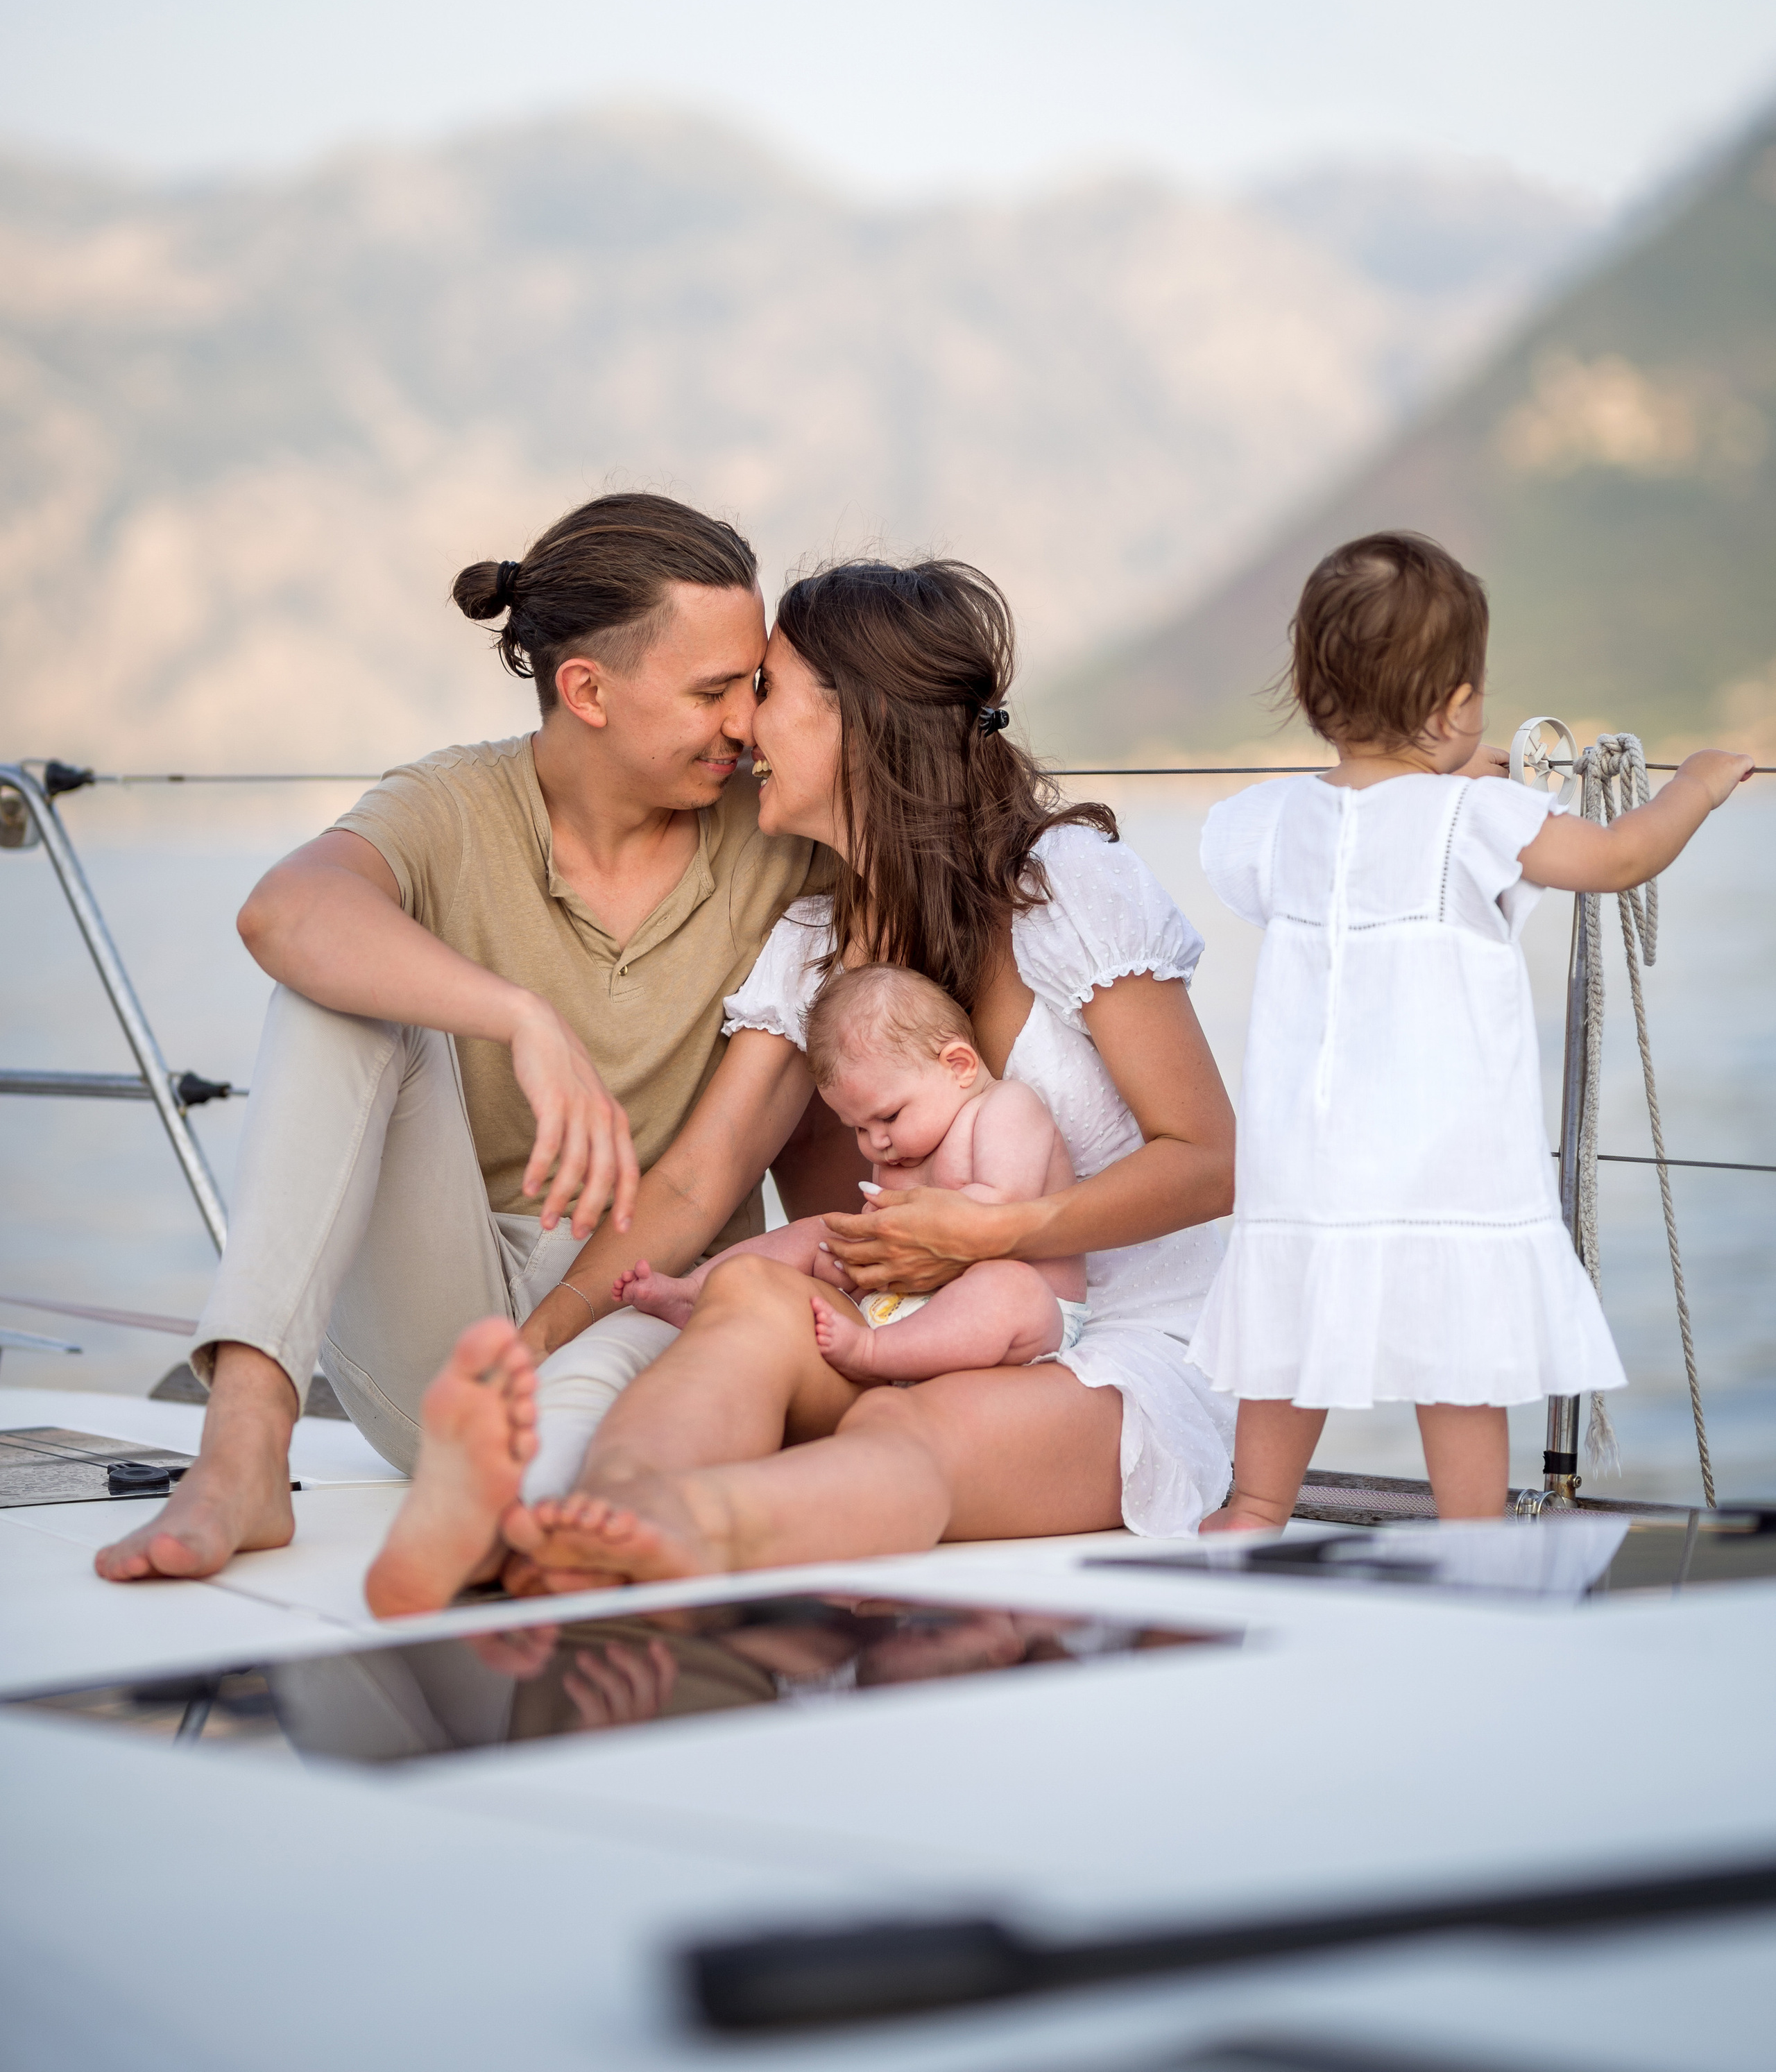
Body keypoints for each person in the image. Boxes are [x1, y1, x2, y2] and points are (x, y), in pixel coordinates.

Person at [364, 554, 1237, 1615]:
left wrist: (991, 1235)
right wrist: (537, 1348)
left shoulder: (1067, 890)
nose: (741, 729)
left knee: (904, 1430)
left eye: (765, 690)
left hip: (1117, 1351)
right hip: (911, 1325)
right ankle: (590, 1512)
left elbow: (1206, 1160)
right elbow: (698, 1182)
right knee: (748, 1297)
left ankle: (687, 1528)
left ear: (858, 720)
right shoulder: (816, 940)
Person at [96, 491, 836, 1585]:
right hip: (440, 1332)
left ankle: (509, 1519)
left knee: (636, 1381)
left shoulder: (779, 839)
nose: (744, 725)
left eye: (754, 688)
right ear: (584, 689)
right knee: (336, 987)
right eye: (713, 690)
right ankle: (244, 1448)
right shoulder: (454, 805)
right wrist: (515, 1016)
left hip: (653, 1306)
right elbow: (282, 913)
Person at [1190, 531, 1754, 1530]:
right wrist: (1699, 782)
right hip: (1441, 1164)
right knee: (1460, 1361)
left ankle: (1253, 1508)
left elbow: (1366, 820)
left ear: (1317, 699)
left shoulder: (1273, 823)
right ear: (1457, 707)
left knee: (1292, 1334)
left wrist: (1437, 779)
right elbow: (1619, 856)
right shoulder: (1478, 819)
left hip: (1308, 1171)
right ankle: (1475, 1539)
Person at [614, 961, 1088, 1382]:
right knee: (818, 1232)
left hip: (1022, 1313)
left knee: (1008, 1289)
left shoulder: (1005, 1108)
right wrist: (859, 1255)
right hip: (906, 1304)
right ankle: (696, 1291)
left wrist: (901, 1238)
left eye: (888, 1117)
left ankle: (872, 1351)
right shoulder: (903, 1146)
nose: (875, 1142)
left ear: (958, 1065)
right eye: (857, 1128)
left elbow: (1007, 1212)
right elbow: (878, 1236)